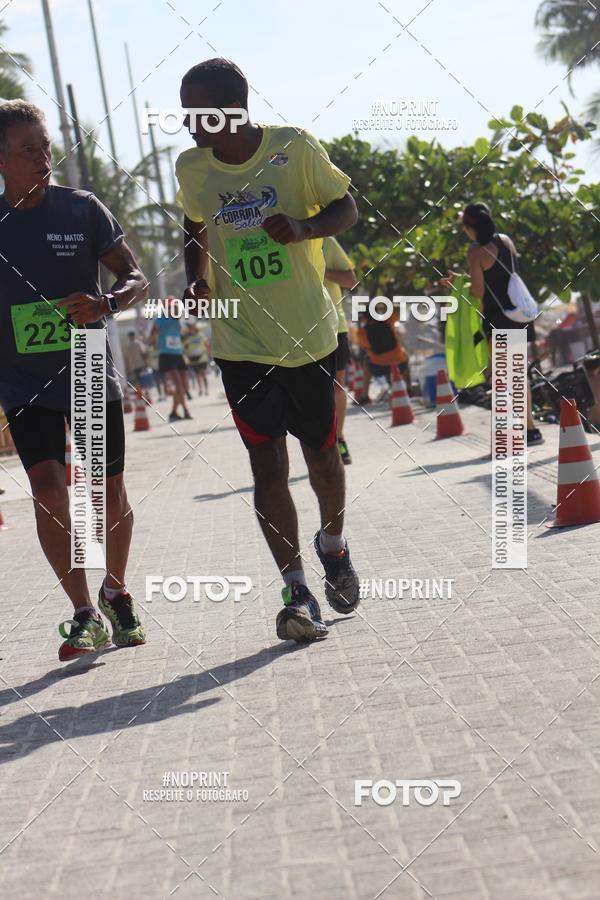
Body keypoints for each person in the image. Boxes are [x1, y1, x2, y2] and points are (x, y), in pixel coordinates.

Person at [175, 58, 361, 642]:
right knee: (267, 465)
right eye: (184, 114)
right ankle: (297, 591)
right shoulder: (192, 167)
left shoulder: (294, 147)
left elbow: (347, 208)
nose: (188, 125)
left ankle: (333, 545)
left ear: (233, 109)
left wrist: (304, 229)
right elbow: (194, 223)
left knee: (323, 459)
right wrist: (197, 277)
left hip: (308, 335)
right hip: (240, 342)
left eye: (198, 114)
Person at [0, 100, 147, 661]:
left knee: (106, 491)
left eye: (46, 147)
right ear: (1, 159)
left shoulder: (81, 209)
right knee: (47, 489)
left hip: (85, 362)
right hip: (20, 378)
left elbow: (134, 275)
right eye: (28, 150)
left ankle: (116, 590)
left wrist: (107, 302)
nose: (43, 159)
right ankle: (84, 612)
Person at [448, 202, 543, 446]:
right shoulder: (506, 241)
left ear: (469, 228)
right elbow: (499, 276)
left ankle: (522, 430)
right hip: (518, 314)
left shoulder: (475, 251)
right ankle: (530, 429)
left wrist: (460, 286)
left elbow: (478, 291)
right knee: (518, 374)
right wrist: (464, 278)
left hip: (498, 319)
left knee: (504, 376)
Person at [323, 235, 357, 465]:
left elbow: (351, 280)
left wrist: (320, 271)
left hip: (335, 325)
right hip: (298, 329)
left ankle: (338, 437)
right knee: (312, 390)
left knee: (337, 386)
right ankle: (322, 443)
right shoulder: (280, 238)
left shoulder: (326, 240)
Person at [151, 298, 191, 421]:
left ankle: (173, 412)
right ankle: (185, 410)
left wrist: (185, 341)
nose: (174, 308)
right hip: (166, 354)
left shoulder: (179, 319)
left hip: (178, 354)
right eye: (171, 307)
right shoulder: (160, 320)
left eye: (175, 306)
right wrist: (155, 343)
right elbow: (152, 337)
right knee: (178, 384)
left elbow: (185, 333)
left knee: (183, 385)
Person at [356, 305, 410, 395]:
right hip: (399, 364)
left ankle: (365, 395)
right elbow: (397, 309)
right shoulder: (389, 321)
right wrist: (384, 306)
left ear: (364, 318)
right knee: (405, 355)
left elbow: (365, 347)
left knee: (366, 361)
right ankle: (409, 387)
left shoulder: (361, 332)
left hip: (379, 366)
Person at [184, 321, 211, 395]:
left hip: (202, 357)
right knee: (197, 375)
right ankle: (200, 389)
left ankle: (206, 389)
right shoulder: (188, 337)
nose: (191, 330)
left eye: (192, 328)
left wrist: (209, 354)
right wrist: (187, 354)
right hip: (193, 358)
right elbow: (185, 346)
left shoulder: (201, 335)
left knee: (203, 374)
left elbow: (207, 344)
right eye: (189, 328)